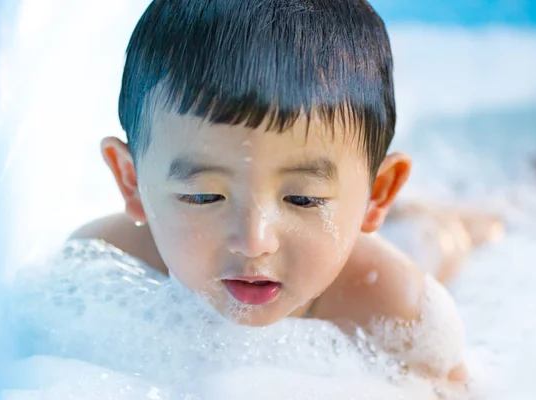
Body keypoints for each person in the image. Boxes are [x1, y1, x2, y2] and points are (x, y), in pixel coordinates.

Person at [71, 0, 470, 383]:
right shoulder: (99, 269)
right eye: (203, 196)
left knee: (442, 240)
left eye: (302, 199)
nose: (253, 242)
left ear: (377, 194)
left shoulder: (399, 315)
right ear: (131, 181)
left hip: (389, 256)